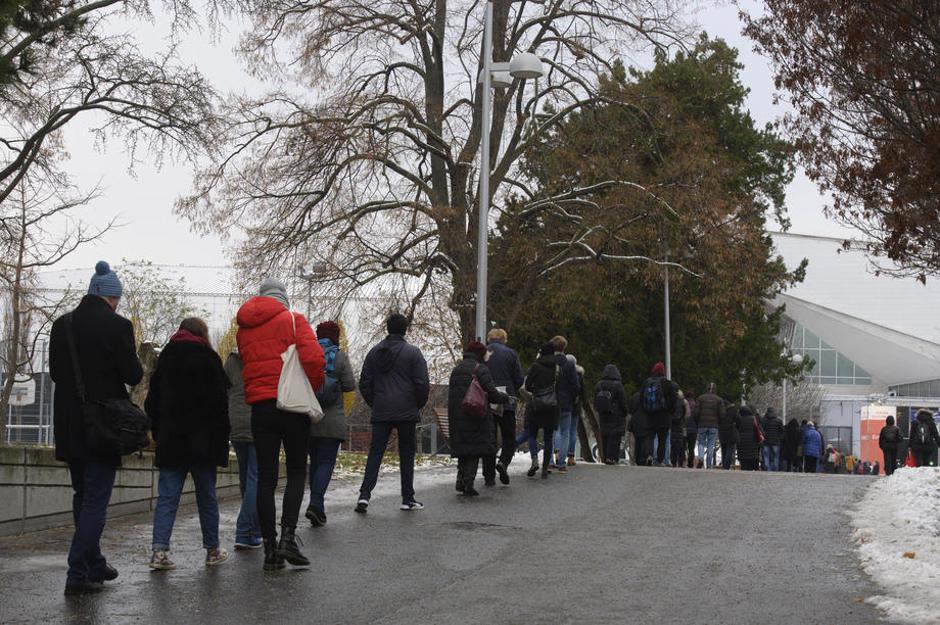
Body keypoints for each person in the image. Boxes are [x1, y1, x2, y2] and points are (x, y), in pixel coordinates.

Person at [49, 261, 143, 595]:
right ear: (111, 297)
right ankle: (77, 572)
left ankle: (93, 562)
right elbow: (133, 375)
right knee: (96, 500)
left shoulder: (62, 325)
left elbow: (55, 372)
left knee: (83, 494)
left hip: (70, 423)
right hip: (103, 424)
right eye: (117, 299)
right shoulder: (118, 326)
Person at [237, 278, 325, 570]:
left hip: (260, 408)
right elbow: (314, 359)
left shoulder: (244, 329)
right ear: (283, 299)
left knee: (266, 477)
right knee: (297, 470)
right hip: (292, 405)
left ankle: (270, 549)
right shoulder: (293, 320)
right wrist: (311, 387)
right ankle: (288, 537)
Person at [145, 318, 231, 570]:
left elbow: (152, 403)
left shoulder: (166, 358)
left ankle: (159, 552)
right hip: (204, 442)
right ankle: (212, 550)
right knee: (207, 497)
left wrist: (158, 431)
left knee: (167, 497)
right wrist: (220, 439)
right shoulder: (210, 359)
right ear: (202, 333)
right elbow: (220, 405)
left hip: (172, 440)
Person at [356, 313, 430, 513]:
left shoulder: (374, 353)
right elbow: (422, 383)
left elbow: (365, 383)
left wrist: (376, 403)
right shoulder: (413, 353)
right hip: (406, 410)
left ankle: (364, 496)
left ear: (387, 328)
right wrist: (416, 404)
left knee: (376, 452)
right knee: (407, 454)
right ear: (405, 329)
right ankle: (407, 498)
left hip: (382, 409)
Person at [306, 321, 357, 526]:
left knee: (315, 463)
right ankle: (315, 504)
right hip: (332, 420)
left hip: (309, 418)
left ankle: (317, 507)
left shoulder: (308, 355)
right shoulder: (340, 356)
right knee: (326, 463)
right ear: (336, 336)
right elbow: (350, 385)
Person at [448, 342, 510, 496]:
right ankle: (468, 483)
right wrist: (505, 397)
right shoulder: (480, 369)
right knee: (474, 449)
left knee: (463, 449)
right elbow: (492, 394)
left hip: (457, 415)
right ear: (481, 354)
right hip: (475, 414)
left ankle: (460, 481)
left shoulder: (457, 369)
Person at [224, 348, 262, 550]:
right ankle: (245, 530)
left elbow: (224, 389)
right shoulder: (262, 356)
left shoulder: (231, 361)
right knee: (256, 477)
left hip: (236, 421)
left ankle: (254, 530)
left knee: (246, 477)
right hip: (257, 419)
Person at [483, 328, 525, 484]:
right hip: (506, 400)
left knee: (490, 438)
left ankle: (489, 476)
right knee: (509, 436)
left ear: (489, 338)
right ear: (504, 339)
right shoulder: (511, 354)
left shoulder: (483, 353)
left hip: (487, 400)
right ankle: (503, 462)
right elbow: (519, 379)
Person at [524, 342, 561, 478]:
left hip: (537, 405)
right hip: (552, 406)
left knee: (532, 434)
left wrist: (537, 390)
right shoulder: (557, 368)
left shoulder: (535, 366)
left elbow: (527, 386)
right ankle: (545, 469)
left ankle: (534, 460)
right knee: (548, 438)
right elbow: (560, 388)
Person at [550, 336, 580, 473]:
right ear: (564, 348)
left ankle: (550, 461)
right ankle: (562, 463)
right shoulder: (569, 364)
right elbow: (575, 386)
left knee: (552, 431)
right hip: (566, 402)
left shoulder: (547, 361)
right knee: (565, 432)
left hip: (550, 401)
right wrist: (572, 398)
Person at [641, 362, 678, 466]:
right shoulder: (667, 383)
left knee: (649, 436)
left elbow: (641, 398)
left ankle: (649, 454)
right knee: (662, 439)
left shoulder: (647, 382)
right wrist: (670, 411)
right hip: (664, 416)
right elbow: (673, 399)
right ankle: (659, 460)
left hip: (650, 415)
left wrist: (645, 410)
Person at [593, 364, 627, 465]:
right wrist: (625, 412)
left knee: (605, 435)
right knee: (615, 436)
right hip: (616, 414)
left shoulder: (599, 384)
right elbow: (622, 400)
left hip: (603, 413)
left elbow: (595, 400)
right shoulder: (618, 385)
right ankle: (612, 458)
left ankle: (605, 457)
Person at [693, 384, 723, 469]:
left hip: (702, 424)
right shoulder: (719, 400)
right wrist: (718, 423)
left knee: (701, 442)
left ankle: (701, 458)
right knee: (711, 444)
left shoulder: (700, 398)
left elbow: (696, 413)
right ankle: (709, 464)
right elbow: (722, 414)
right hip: (714, 425)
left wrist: (697, 422)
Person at [566, 355, 585, 466]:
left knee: (561, 430)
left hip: (564, 405)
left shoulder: (562, 372)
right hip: (576, 406)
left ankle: (558, 453)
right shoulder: (579, 375)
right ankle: (571, 456)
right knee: (573, 431)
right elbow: (583, 393)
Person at [736, 406, 763, 471]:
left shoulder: (739, 419)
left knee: (743, 462)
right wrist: (759, 440)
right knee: (751, 462)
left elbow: (736, 429)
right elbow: (757, 430)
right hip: (752, 442)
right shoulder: (753, 419)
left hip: (741, 442)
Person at [628, 390, 651, 466]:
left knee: (637, 440)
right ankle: (642, 458)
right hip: (646, 420)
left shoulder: (633, 397)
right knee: (644, 440)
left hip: (635, 420)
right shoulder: (647, 397)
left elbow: (630, 410)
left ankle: (637, 458)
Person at [761, 407, 784, 472]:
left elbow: (761, 430)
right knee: (775, 457)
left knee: (766, 456)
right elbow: (782, 431)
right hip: (776, 441)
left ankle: (767, 469)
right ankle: (775, 469)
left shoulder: (763, 420)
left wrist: (764, 436)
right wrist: (779, 437)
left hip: (766, 441)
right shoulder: (779, 420)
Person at [718, 404, 740, 470]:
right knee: (729, 450)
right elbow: (739, 420)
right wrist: (736, 427)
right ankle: (726, 466)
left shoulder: (720, 410)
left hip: (722, 432)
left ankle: (724, 465)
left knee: (724, 450)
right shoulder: (733, 410)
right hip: (731, 432)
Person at [670, 391, 688, 468]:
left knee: (673, 443)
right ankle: (680, 461)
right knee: (681, 444)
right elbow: (685, 413)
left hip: (672, 424)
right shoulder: (683, 402)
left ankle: (673, 461)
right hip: (680, 424)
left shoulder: (671, 401)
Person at [684, 390, 698, 468]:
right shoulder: (695, 405)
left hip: (684, 427)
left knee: (682, 446)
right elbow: (697, 416)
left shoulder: (683, 403)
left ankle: (681, 462)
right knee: (691, 448)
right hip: (693, 429)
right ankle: (690, 463)